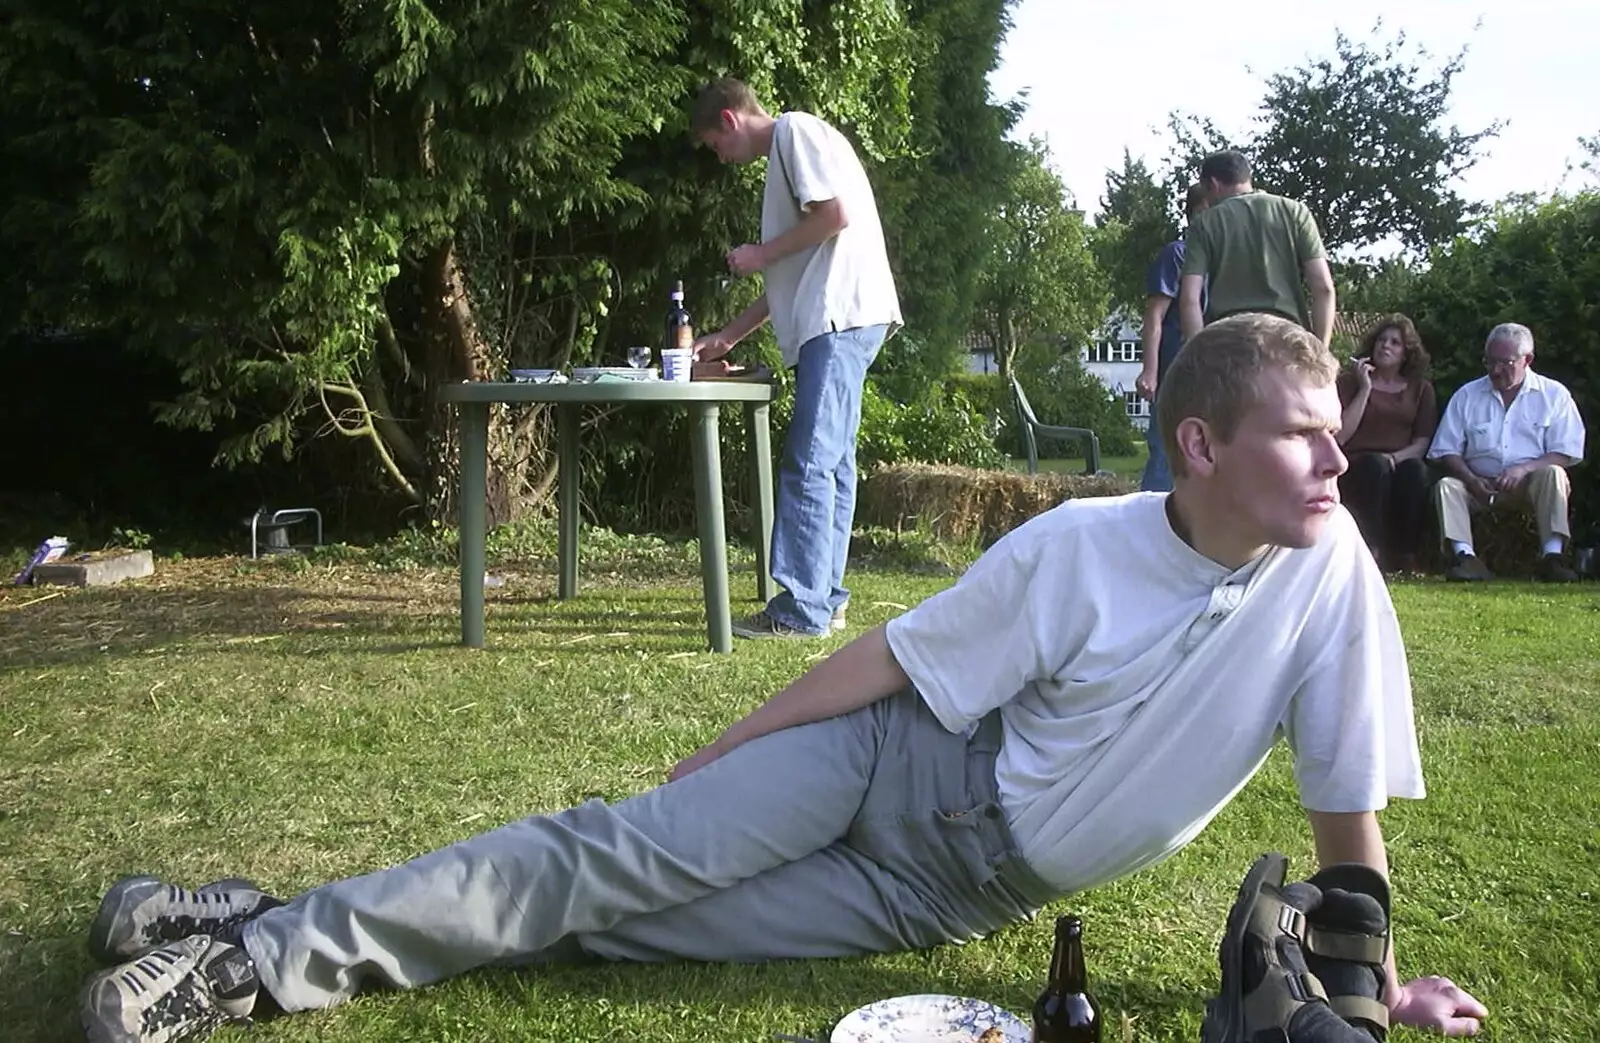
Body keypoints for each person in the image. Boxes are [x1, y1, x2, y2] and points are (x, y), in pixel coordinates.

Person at [79, 315, 1489, 1043]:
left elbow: (1342, 797)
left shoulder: (1332, 575)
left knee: (615, 927)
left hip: (949, 891)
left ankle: (251, 906)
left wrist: (1372, 979)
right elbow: (890, 658)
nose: (1336, 461)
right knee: (609, 857)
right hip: (893, 757)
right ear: (1199, 442)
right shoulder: (1082, 545)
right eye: (1303, 435)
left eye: (1337, 433)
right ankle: (251, 963)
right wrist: (727, 750)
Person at [688, 77, 902, 639]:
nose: (721, 157)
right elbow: (800, 265)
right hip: (846, 315)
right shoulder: (793, 151)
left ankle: (801, 610)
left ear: (731, 122)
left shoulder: (795, 132)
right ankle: (824, 600)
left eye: (715, 144)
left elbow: (833, 216)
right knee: (830, 464)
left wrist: (759, 253)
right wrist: (731, 334)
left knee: (810, 461)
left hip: (840, 317)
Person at [1427, 322, 1586, 582]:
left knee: (1553, 474)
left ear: (1528, 360)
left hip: (1529, 484)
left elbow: (1567, 450)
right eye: (1489, 362)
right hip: (1479, 485)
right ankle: (1466, 558)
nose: (1495, 370)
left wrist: (1524, 469)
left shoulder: (1554, 395)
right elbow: (1445, 450)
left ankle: (1552, 557)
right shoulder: (1467, 396)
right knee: (1446, 486)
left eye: (1505, 362)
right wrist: (1471, 480)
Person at [1178, 150, 1337, 348]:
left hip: (1228, 340)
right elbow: (1323, 287)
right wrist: (1320, 351)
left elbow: (1189, 299)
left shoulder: (1204, 224)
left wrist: (1197, 353)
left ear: (1214, 184)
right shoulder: (1295, 211)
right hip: (1287, 337)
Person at [1336, 315, 1439, 572]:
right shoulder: (1349, 383)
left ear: (1406, 353)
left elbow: (1423, 441)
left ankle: (1406, 555)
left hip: (1399, 460)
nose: (1386, 346)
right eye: (1381, 340)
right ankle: (1371, 550)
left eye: (1395, 343)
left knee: (1416, 471)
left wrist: (1394, 458)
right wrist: (1365, 389)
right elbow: (1341, 436)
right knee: (1374, 465)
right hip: (1357, 463)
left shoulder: (1421, 389)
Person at [1134, 183, 1210, 492]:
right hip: (1175, 372)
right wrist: (1150, 371)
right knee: (1166, 454)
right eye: (1209, 211)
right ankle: (1147, 521)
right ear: (1194, 215)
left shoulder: (1223, 260)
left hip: (1213, 373)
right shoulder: (1177, 254)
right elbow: (1154, 317)